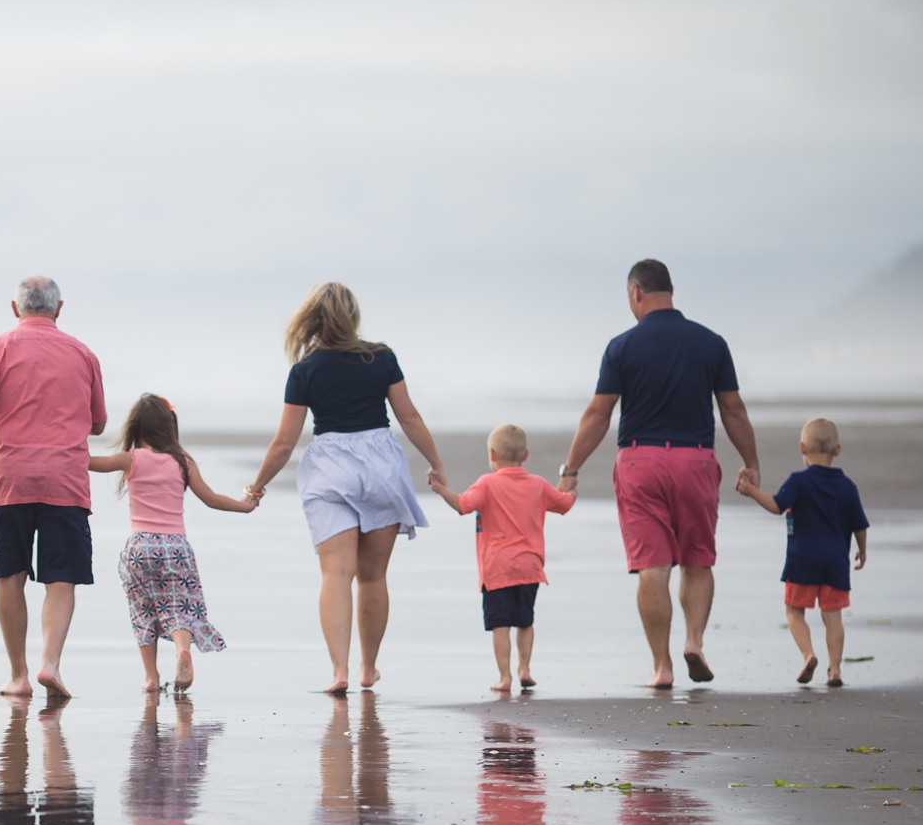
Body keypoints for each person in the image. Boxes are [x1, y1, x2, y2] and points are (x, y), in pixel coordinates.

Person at [558, 258, 760, 688]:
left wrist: (571, 468)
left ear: (635, 293)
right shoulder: (711, 342)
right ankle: (695, 641)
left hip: (640, 462)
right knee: (697, 558)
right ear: (671, 291)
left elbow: (598, 413)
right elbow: (733, 409)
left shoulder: (622, 346)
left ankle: (662, 667)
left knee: (653, 567)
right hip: (695, 460)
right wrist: (752, 461)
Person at [248, 282, 447, 695]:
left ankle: (339, 671)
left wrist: (257, 486)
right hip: (381, 466)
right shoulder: (382, 358)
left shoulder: (304, 370)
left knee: (336, 573)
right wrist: (435, 462)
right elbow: (408, 418)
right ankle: (368, 668)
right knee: (373, 576)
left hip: (330, 467)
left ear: (313, 319)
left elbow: (285, 442)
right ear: (352, 316)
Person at [0, 275, 106, 700]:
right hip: (65, 479)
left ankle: (18, 674)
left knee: (9, 574)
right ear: (59, 308)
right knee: (61, 578)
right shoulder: (83, 354)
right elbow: (98, 424)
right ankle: (51, 663)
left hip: (10, 479)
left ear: (15, 309)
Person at [88, 394, 256, 695]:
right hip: (175, 548)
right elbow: (211, 498)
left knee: (143, 611)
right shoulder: (183, 462)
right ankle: (182, 650)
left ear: (136, 427)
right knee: (179, 607)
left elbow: (89, 463)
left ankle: (151, 678)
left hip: (139, 548)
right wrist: (245, 505)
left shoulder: (132, 458)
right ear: (169, 426)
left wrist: (62, 439)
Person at [427, 423, 576, 692]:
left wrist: (439, 489)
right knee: (525, 620)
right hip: (530, 566)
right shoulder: (538, 485)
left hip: (497, 569)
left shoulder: (487, 483)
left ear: (492, 455)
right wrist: (572, 491)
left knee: (500, 625)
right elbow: (564, 504)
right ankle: (525, 669)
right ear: (526, 455)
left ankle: (505, 677)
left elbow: (462, 505)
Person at [734, 417, 869, 687]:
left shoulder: (798, 481)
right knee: (832, 616)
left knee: (794, 612)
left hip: (802, 560)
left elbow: (776, 506)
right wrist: (862, 551)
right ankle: (835, 670)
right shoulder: (847, 487)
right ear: (837, 449)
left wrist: (751, 490)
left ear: (802, 448)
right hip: (835, 562)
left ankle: (808, 654)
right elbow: (859, 524)